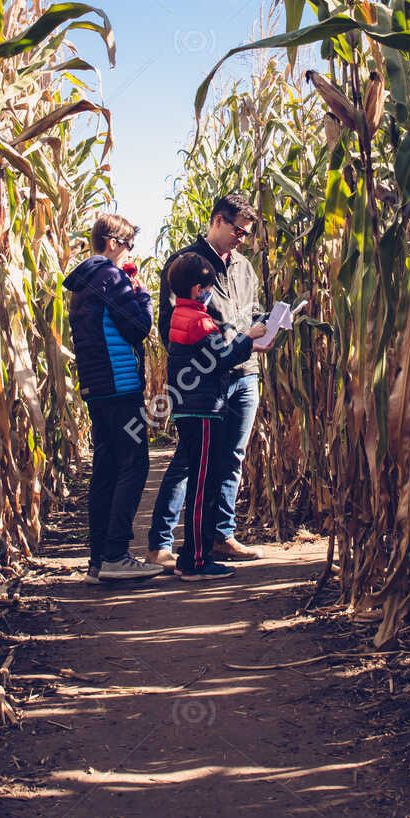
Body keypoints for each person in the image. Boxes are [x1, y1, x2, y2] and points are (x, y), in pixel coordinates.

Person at [147, 192, 265, 568]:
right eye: (237, 230)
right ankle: (161, 542)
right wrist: (201, 362)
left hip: (244, 372)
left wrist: (262, 333)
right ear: (217, 221)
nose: (241, 239)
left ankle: (220, 536)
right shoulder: (187, 265)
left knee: (232, 455)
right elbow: (169, 327)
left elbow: (253, 311)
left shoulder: (244, 268)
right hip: (205, 381)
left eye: (246, 234)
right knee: (188, 460)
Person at [64, 215, 164, 584]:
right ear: (112, 242)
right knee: (133, 465)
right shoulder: (110, 277)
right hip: (120, 387)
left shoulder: (84, 283)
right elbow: (138, 328)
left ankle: (98, 561)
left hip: (96, 389)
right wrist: (142, 294)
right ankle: (116, 554)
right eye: (128, 245)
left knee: (106, 470)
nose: (128, 253)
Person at [163, 251, 267, 577]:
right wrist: (248, 340)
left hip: (191, 409)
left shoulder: (181, 314)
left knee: (201, 481)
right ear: (198, 289)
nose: (210, 293)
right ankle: (194, 560)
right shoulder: (199, 320)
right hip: (203, 410)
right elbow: (220, 358)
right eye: (208, 287)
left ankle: (198, 554)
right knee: (203, 485)